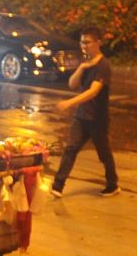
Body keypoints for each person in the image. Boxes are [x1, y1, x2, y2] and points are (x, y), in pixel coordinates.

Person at [49, 27, 119, 197]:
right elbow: (72, 84)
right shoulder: (87, 64)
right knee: (70, 149)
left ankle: (113, 184)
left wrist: (69, 103)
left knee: (104, 153)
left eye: (87, 42)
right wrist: (81, 68)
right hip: (82, 116)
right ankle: (57, 186)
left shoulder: (103, 66)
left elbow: (93, 91)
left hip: (98, 118)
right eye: (82, 42)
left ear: (98, 43)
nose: (84, 46)